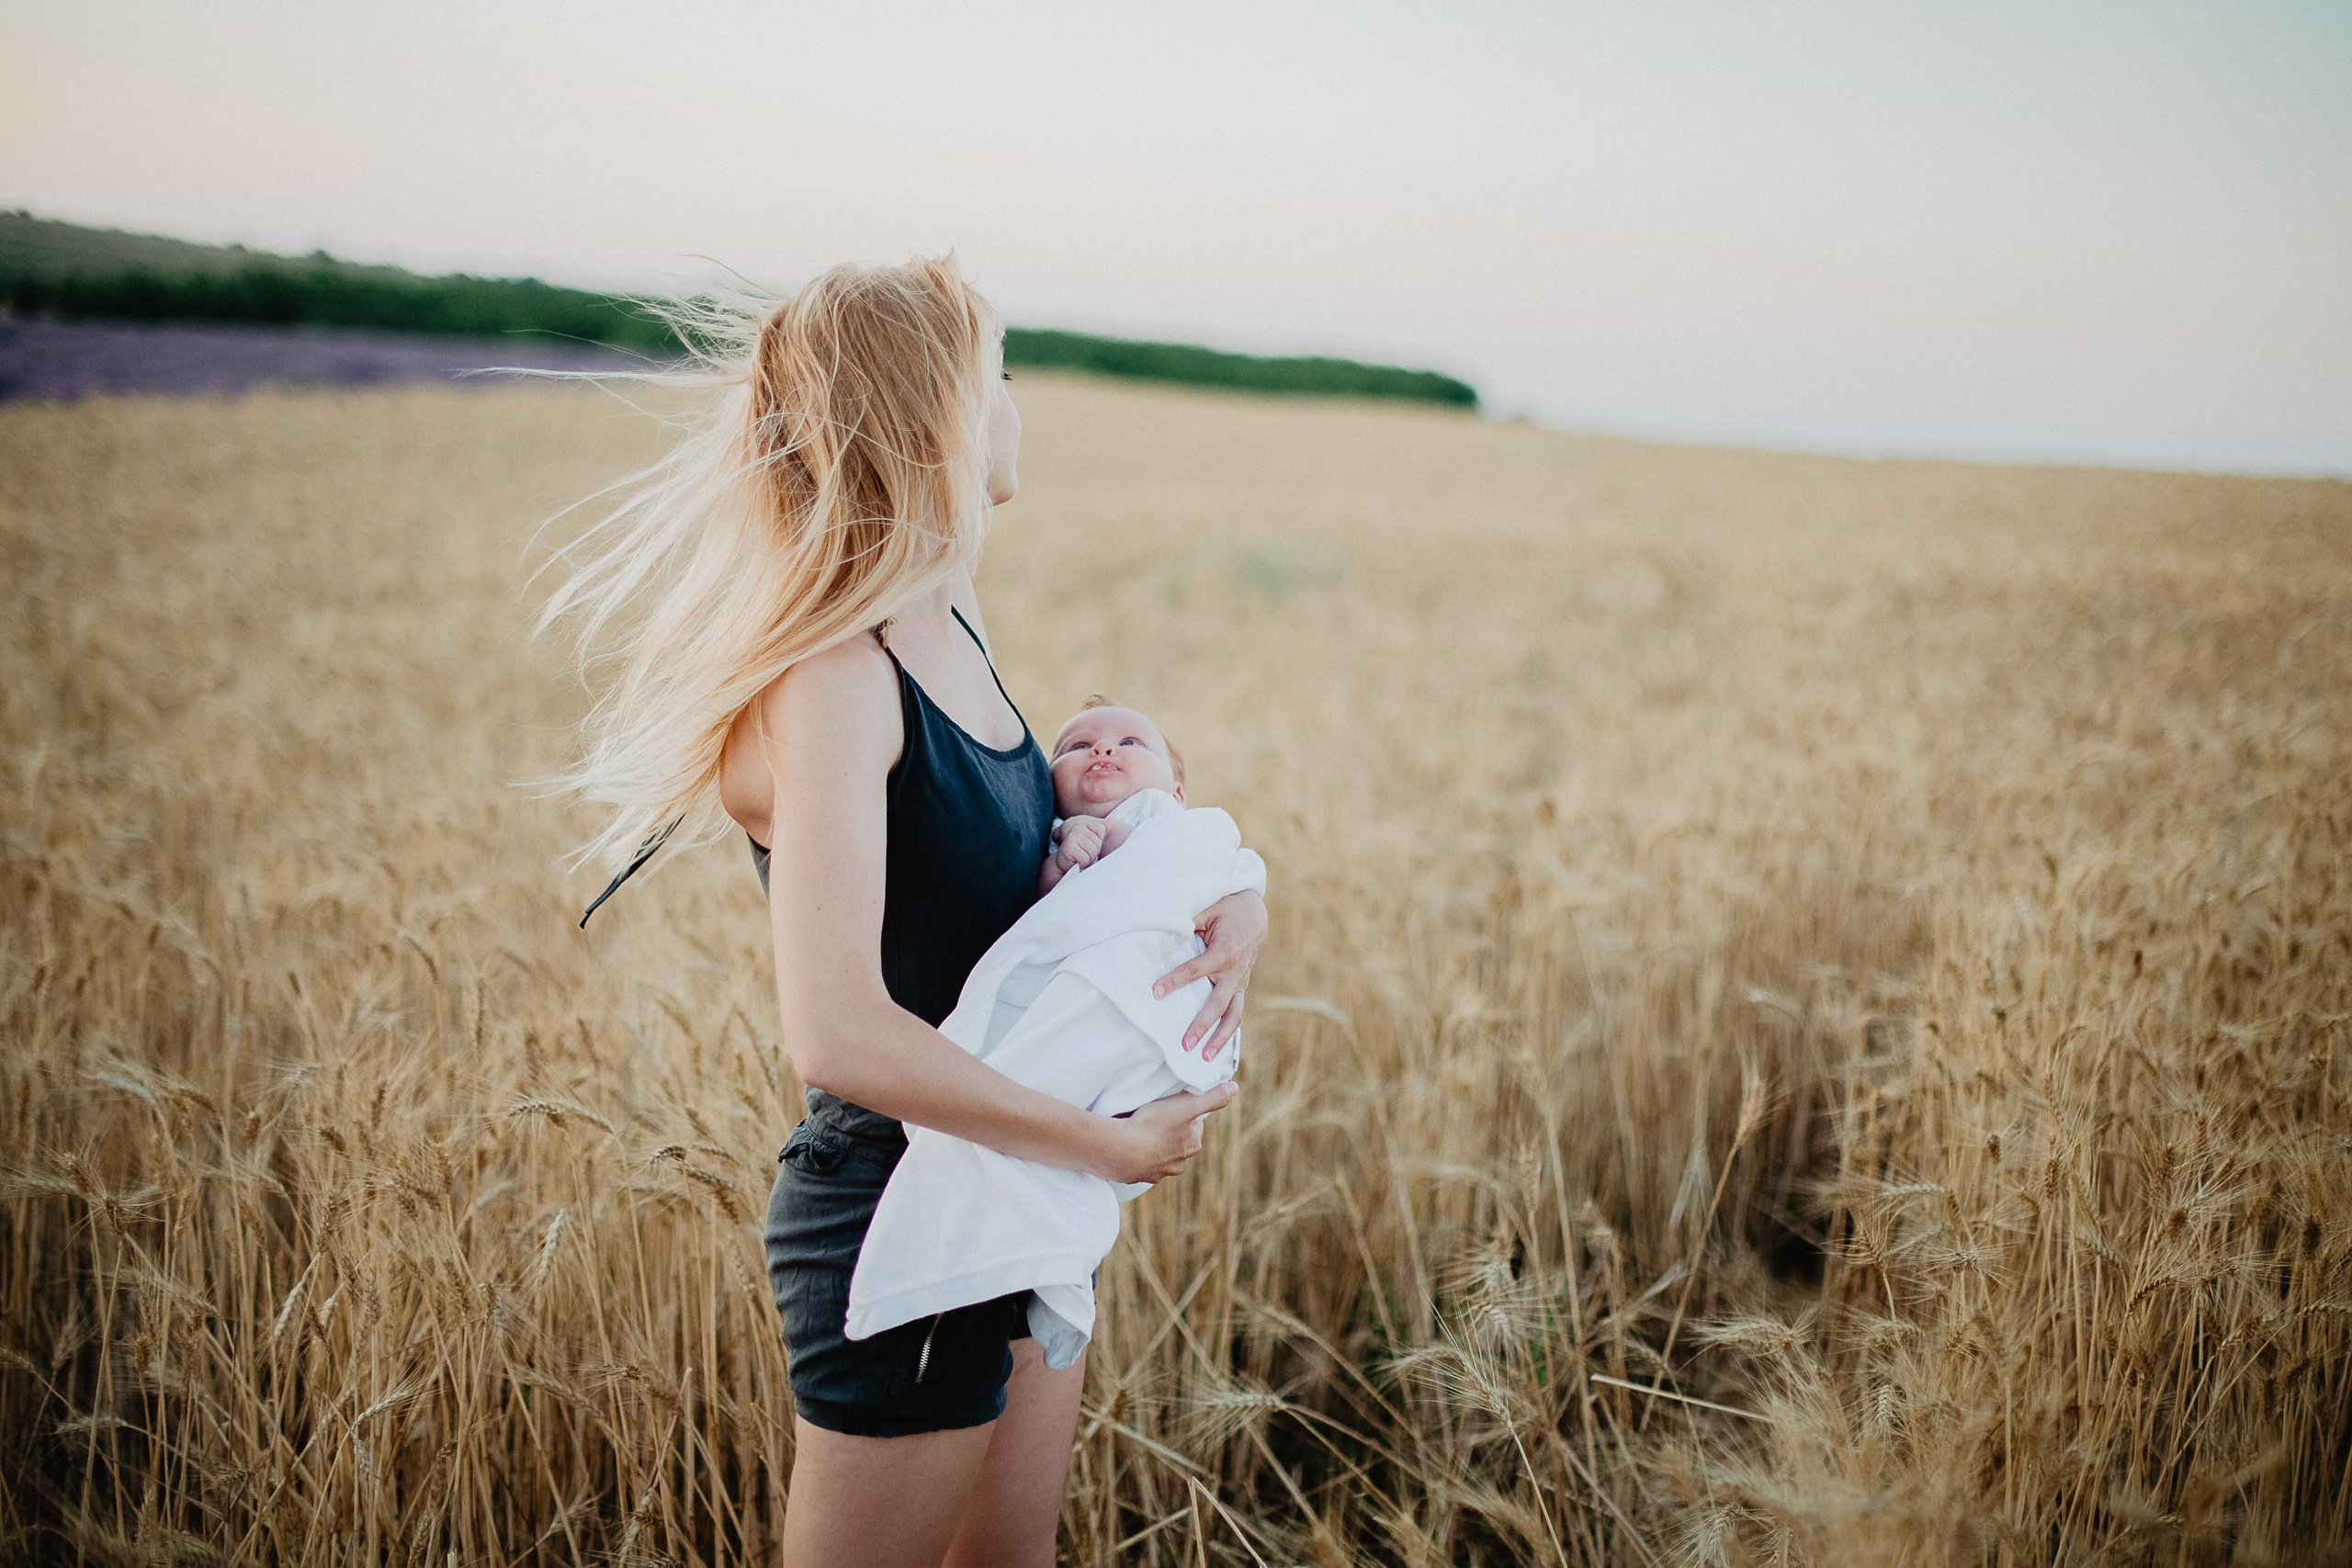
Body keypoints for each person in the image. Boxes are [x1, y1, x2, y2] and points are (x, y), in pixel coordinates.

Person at [536, 255, 1267, 1568]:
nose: (1016, 407)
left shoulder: (946, 611)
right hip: (896, 1205)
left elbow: (1034, 877)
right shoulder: (832, 677)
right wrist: (1099, 1147)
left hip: (1012, 1187)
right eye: (998, 378)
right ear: (934, 410)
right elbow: (839, 1034)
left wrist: (1231, 908)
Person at [844, 697, 1262, 1371]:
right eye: (1076, 745)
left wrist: (1246, 902)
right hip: (1078, 1016)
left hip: (1154, 1000)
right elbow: (1045, 927)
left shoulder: (1175, 824)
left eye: (1131, 741)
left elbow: (1213, 862)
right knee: (1043, 1044)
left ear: (1176, 791)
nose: (1103, 750)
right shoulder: (1050, 840)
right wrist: (1063, 861)